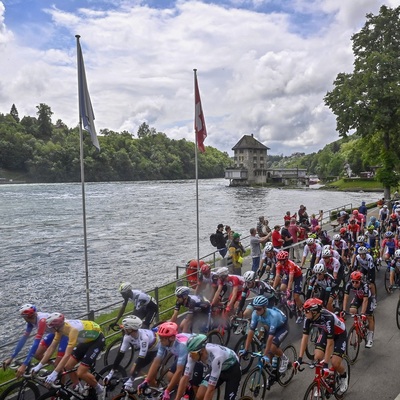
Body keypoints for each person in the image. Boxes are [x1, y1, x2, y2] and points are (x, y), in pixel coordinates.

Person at [32, 313, 105, 395]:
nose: (50, 330)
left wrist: (54, 373)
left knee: (81, 372)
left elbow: (67, 354)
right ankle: (79, 387)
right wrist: (38, 366)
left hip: (97, 340)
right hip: (86, 340)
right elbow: (51, 348)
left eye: (51, 328)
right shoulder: (60, 329)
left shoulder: (72, 330)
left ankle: (100, 389)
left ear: (56, 327)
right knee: (68, 366)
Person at [294, 298, 348, 395]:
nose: (304, 312)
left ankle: (343, 375)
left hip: (340, 334)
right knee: (317, 356)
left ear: (314, 312)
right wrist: (299, 359)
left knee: (335, 363)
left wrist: (326, 365)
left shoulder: (328, 318)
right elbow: (304, 338)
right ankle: (323, 381)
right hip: (326, 331)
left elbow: (330, 343)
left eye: (307, 310)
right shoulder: (308, 318)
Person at [3, 304, 68, 378]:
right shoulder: (31, 322)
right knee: (37, 354)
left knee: (58, 365)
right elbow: (23, 339)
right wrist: (11, 358)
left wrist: (24, 365)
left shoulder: (42, 320)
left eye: (23, 317)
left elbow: (36, 342)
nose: (23, 318)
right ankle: (55, 366)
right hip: (55, 333)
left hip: (66, 333)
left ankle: (63, 382)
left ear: (27, 317)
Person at [175, 334, 241, 400]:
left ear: (202, 351)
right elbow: (185, 378)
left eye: (193, 354)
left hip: (233, 371)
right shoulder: (193, 354)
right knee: (200, 395)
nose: (191, 357)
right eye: (190, 353)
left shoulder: (217, 357)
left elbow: (210, 389)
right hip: (217, 369)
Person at [104, 315, 160, 391]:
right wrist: (110, 373)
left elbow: (141, 359)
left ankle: (157, 390)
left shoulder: (144, 338)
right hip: (148, 350)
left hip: (157, 349)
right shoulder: (127, 337)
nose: (123, 328)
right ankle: (147, 379)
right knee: (133, 370)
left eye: (125, 327)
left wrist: (131, 380)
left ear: (131, 329)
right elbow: (120, 355)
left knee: (150, 376)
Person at [137, 322, 191, 400]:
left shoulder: (182, 346)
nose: (160, 340)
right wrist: (146, 380)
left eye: (162, 338)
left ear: (171, 338)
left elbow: (179, 371)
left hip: (191, 354)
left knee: (179, 375)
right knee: (170, 376)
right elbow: (157, 361)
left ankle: (188, 390)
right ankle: (186, 386)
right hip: (180, 354)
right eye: (160, 337)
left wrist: (167, 391)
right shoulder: (163, 342)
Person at [239, 296, 289, 373]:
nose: (256, 311)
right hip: (270, 326)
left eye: (259, 309)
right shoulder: (255, 314)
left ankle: (285, 359)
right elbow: (251, 331)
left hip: (282, 328)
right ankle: (272, 372)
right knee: (268, 353)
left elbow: (270, 338)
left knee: (272, 347)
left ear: (265, 308)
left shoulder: (273, 316)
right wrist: (246, 349)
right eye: (255, 308)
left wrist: (265, 355)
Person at [342, 271, 375, 348]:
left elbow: (365, 300)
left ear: (360, 281)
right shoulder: (349, 284)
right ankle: (358, 326)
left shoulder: (365, 286)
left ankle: (370, 337)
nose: (354, 284)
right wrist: (343, 310)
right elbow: (345, 298)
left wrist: (363, 313)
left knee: (369, 317)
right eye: (353, 282)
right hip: (358, 297)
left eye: (356, 282)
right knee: (352, 310)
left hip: (367, 299)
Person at [273, 250, 304, 323]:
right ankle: (289, 300)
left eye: (282, 261)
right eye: (279, 260)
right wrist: (273, 288)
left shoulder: (291, 264)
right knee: (282, 288)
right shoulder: (278, 264)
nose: (280, 262)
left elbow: (291, 279)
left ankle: (300, 313)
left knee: (296, 296)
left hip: (298, 276)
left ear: (286, 259)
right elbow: (277, 276)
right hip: (288, 274)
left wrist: (288, 290)